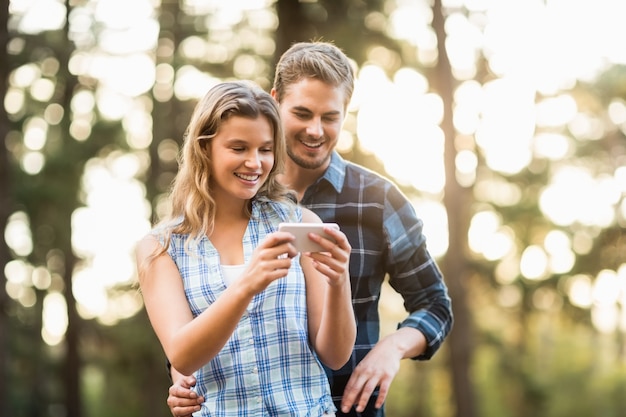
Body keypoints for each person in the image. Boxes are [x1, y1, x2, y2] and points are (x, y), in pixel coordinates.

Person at [167, 42, 454, 417]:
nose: (315, 130)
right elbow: (195, 307)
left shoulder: (378, 200)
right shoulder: (231, 196)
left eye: (330, 117)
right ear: (274, 103)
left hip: (351, 409)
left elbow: (435, 305)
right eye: (302, 113)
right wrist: (180, 375)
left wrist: (391, 349)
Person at [136, 80, 356, 416]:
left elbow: (335, 355)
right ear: (204, 148)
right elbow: (182, 354)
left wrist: (339, 281)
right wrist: (247, 285)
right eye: (239, 148)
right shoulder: (161, 247)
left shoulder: (299, 222)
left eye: (265, 149)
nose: (255, 163)